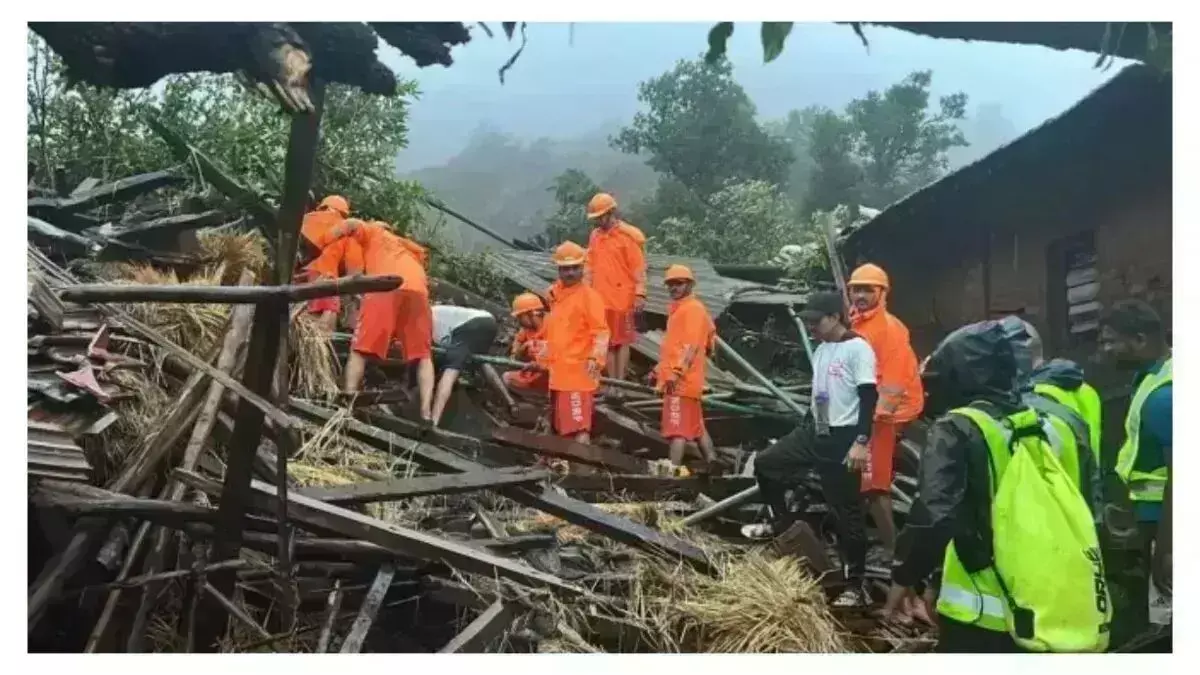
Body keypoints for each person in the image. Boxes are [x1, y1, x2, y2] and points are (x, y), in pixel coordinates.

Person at [882, 320, 1099, 652]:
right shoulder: (1056, 422)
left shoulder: (957, 428)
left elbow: (936, 515)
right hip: (1056, 597)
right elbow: (1087, 505)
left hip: (985, 613)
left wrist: (905, 576)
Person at [743, 291, 876, 608]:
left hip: (843, 437)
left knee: (847, 512)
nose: (811, 327)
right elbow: (822, 393)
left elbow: (869, 398)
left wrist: (861, 442)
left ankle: (855, 585)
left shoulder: (858, 349)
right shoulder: (821, 350)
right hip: (814, 429)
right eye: (808, 321)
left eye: (816, 321)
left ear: (835, 318)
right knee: (767, 464)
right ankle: (784, 526)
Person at [303, 218, 434, 419]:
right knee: (423, 356)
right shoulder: (409, 250)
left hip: (386, 285)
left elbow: (352, 224)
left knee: (359, 349)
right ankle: (427, 415)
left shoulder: (375, 232)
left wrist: (320, 242)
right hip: (419, 292)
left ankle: (347, 405)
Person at [1099, 299, 1172, 641]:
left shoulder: (1164, 395)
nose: (1106, 349)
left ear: (1140, 340)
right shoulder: (1152, 378)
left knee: (1166, 620)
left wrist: (1168, 549)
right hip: (1152, 519)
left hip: (1164, 522)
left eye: (1112, 340)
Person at [847, 263, 924, 559]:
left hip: (887, 413)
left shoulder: (888, 329)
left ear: (882, 293)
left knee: (874, 484)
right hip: (869, 407)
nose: (861, 295)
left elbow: (892, 382)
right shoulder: (859, 323)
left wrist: (871, 423)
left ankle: (893, 551)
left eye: (868, 289)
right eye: (857, 289)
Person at [653, 265, 717, 475]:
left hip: (681, 381)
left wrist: (676, 372)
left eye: (679, 283)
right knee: (697, 427)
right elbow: (704, 341)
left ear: (689, 284)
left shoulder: (692, 309)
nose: (674, 288)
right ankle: (713, 464)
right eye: (671, 284)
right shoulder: (683, 309)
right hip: (685, 379)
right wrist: (658, 370)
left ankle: (671, 473)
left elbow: (691, 345)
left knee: (676, 430)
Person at [543, 241, 609, 444]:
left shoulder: (590, 297)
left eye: (575, 268)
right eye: (565, 268)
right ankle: (568, 469)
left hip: (578, 374)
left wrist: (595, 359)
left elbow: (601, 332)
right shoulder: (557, 296)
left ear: (583, 268)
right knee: (563, 427)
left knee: (578, 428)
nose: (570, 273)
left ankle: (584, 472)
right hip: (559, 374)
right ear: (559, 269)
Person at [584, 192, 647, 385]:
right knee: (607, 342)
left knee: (622, 342)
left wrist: (640, 293)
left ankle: (620, 382)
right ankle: (612, 383)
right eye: (595, 218)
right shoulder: (595, 236)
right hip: (601, 299)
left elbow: (638, 268)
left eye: (600, 217)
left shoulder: (627, 236)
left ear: (611, 212)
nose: (597, 222)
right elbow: (589, 265)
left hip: (623, 298)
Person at [428, 304, 500, 427]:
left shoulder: (427, 319)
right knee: (481, 361)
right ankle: (509, 401)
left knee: (451, 370)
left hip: (470, 326)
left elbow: (440, 349)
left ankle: (434, 421)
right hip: (489, 321)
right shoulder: (435, 311)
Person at [299, 195, 362, 331]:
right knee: (330, 310)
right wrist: (356, 293)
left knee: (310, 310)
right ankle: (322, 347)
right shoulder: (348, 233)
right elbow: (353, 270)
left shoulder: (308, 219)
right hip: (326, 274)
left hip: (305, 273)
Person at [504, 292, 550, 395]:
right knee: (507, 378)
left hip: (555, 375)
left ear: (531, 313)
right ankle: (538, 397)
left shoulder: (554, 324)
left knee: (540, 346)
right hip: (536, 374)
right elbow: (515, 353)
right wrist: (523, 347)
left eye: (520, 316)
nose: (518, 320)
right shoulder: (525, 329)